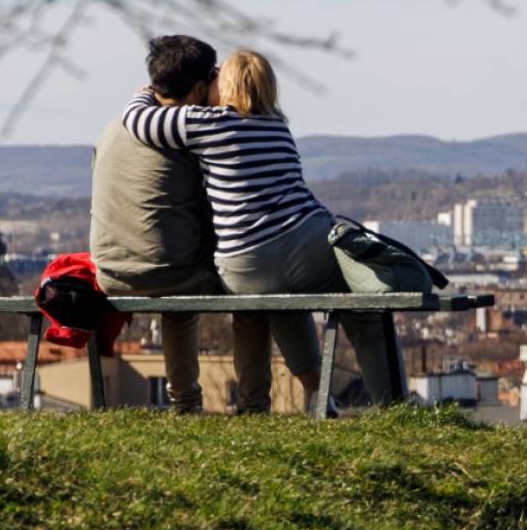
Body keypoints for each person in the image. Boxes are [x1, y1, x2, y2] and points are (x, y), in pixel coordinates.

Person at [120, 49, 393, 407]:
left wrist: (147, 90)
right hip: (305, 243)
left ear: (227, 85)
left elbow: (136, 118)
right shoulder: (278, 126)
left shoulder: (206, 123)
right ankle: (391, 403)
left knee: (281, 301)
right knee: (366, 313)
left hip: (243, 267)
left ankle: (315, 390)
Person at [90, 35, 274, 413]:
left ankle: (185, 403)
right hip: (168, 272)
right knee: (250, 289)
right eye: (213, 76)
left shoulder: (112, 128)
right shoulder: (194, 133)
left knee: (177, 289)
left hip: (109, 273)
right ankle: (254, 404)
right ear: (196, 89)